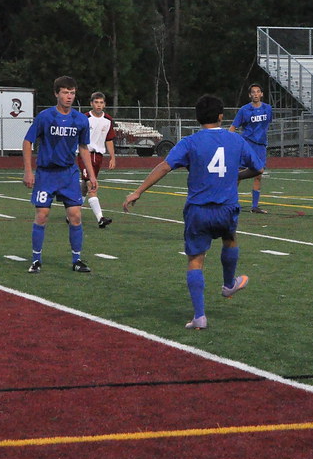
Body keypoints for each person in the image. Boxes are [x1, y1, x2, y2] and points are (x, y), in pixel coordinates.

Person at [123, 94, 263, 330]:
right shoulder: (236, 140)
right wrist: (237, 176)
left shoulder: (189, 142)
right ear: (221, 116)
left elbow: (165, 166)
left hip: (198, 210)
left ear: (197, 118)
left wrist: (138, 191)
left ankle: (200, 316)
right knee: (230, 238)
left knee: (196, 260)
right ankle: (229, 284)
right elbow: (258, 167)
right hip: (226, 208)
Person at [22, 75, 97, 273]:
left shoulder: (80, 119)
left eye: (72, 93)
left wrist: (91, 175)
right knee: (42, 215)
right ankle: (36, 260)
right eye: (65, 92)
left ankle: (77, 260)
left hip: (68, 174)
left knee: (75, 215)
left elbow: (83, 147)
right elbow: (28, 141)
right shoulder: (45, 117)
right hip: (46, 174)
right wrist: (28, 170)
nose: (69, 96)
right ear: (56, 94)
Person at [229, 83, 273, 213]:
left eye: (258, 91)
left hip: (261, 146)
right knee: (239, 173)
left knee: (258, 174)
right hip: (247, 145)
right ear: (249, 95)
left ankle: (255, 206)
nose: (255, 94)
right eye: (253, 92)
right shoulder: (244, 110)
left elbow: (267, 125)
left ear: (262, 94)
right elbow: (233, 127)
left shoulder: (268, 109)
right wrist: (227, 141)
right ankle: (231, 203)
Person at [77, 91, 116, 228]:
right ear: (91, 103)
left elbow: (109, 139)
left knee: (84, 186)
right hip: (85, 154)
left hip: (98, 157)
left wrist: (112, 157)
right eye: (96, 102)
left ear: (104, 104)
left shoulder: (108, 120)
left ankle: (73, 213)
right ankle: (100, 218)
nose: (99, 105)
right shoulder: (84, 118)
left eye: (101, 103)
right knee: (91, 186)